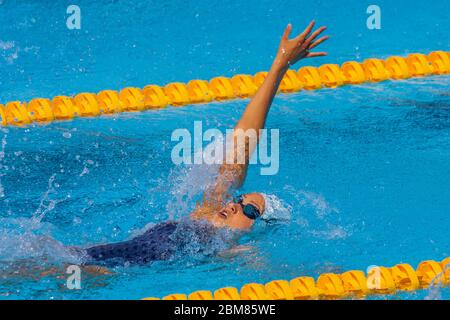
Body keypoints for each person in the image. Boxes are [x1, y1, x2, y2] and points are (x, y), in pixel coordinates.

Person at [83, 21, 329, 266]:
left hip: (99, 274)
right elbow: (243, 139)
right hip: (87, 257)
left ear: (260, 230)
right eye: (240, 200)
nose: (234, 206)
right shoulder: (205, 213)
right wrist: (280, 65)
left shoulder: (234, 252)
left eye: (250, 211)